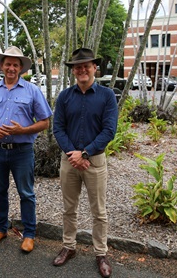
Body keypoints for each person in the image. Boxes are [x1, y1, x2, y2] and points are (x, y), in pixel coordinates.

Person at [0, 46, 52, 253]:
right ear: (2, 66)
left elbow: (45, 122)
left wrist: (23, 129)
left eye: (15, 65)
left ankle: (29, 235)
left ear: (20, 68)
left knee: (26, 193)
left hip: (22, 151)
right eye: (8, 64)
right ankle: (0, 229)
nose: (11, 68)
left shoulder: (32, 91)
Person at [52, 47, 118, 278]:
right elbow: (57, 128)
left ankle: (101, 253)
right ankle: (69, 247)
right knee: (68, 208)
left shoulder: (107, 96)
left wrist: (86, 153)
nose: (82, 70)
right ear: (73, 71)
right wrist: (74, 154)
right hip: (70, 160)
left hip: (95, 162)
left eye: (86, 66)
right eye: (77, 67)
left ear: (94, 68)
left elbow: (109, 130)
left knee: (98, 211)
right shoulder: (65, 96)